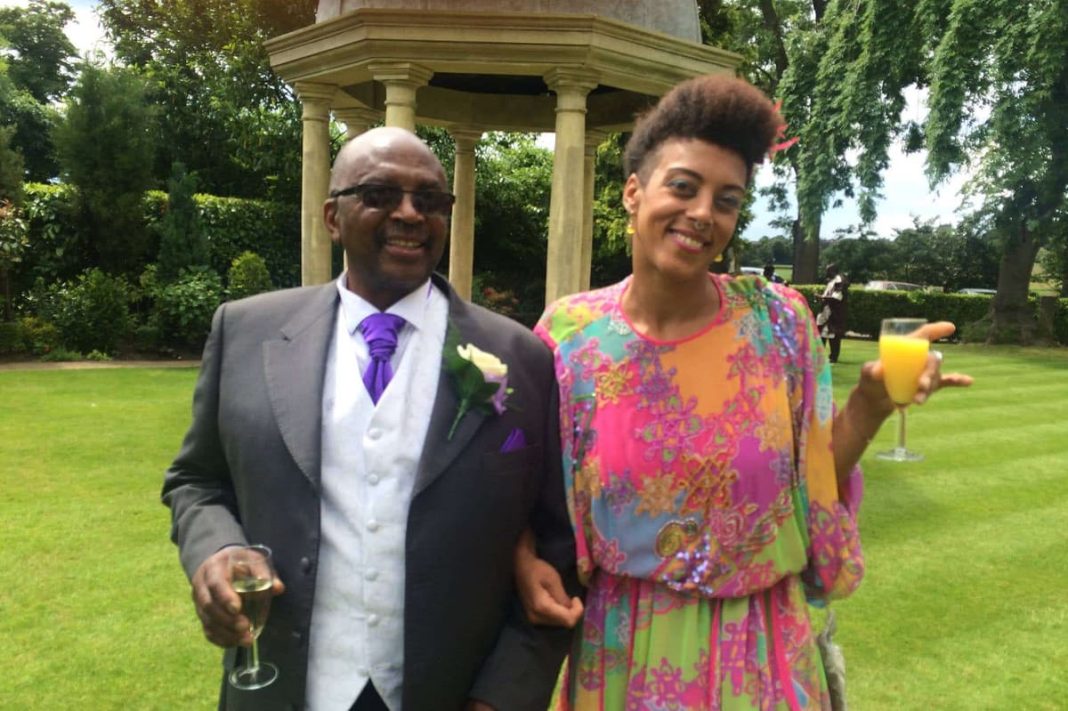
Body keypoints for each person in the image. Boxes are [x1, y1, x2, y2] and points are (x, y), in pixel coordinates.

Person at [514, 75, 972, 710]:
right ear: (633, 191)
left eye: (726, 200)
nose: (703, 213)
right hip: (622, 651)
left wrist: (869, 405)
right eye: (683, 187)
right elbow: (523, 486)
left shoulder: (778, 323)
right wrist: (522, 556)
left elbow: (815, 484)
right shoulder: (570, 338)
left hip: (761, 649)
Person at [162, 127, 577, 711]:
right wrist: (214, 550)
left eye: (430, 200)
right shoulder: (245, 332)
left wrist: (502, 696)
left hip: (451, 692)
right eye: (380, 194)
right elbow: (196, 481)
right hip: (285, 686)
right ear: (332, 218)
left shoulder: (519, 358)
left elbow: (558, 544)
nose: (409, 214)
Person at [817, 264, 848, 363]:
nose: (826, 273)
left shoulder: (840, 280)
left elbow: (837, 297)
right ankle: (819, 356)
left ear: (833, 271)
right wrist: (821, 297)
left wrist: (822, 297)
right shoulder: (831, 281)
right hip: (825, 309)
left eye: (828, 271)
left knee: (833, 333)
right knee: (821, 332)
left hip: (834, 311)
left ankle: (833, 357)